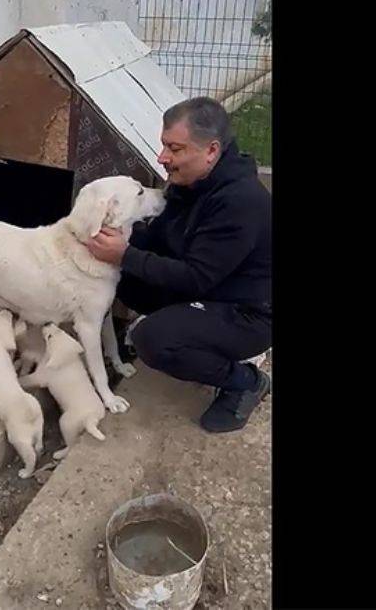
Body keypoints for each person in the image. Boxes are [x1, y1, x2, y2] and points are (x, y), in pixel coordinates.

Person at [85, 96, 272, 433]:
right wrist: (113, 236)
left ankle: (245, 381)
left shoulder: (239, 202)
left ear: (211, 151)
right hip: (212, 289)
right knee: (121, 277)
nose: (162, 157)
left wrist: (125, 254)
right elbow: (159, 237)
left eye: (174, 148)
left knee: (153, 339)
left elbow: (195, 277)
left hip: (249, 314)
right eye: (163, 145)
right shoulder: (192, 183)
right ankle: (192, 330)